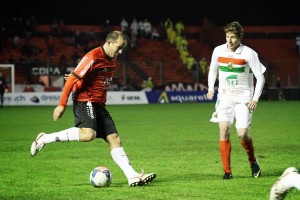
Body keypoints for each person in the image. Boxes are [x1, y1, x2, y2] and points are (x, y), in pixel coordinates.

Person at [30, 31, 156, 187]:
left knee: (115, 139)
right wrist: (61, 104)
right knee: (88, 134)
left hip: (99, 104)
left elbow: (87, 79)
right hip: (85, 100)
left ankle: (132, 176)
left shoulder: (113, 59)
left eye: (123, 48)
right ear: (109, 43)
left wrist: (78, 80)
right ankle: (44, 138)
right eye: (119, 47)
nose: (121, 51)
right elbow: (71, 81)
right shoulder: (93, 56)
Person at [207, 21, 266, 179]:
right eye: (227, 36)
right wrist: (211, 88)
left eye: (233, 37)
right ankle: (227, 172)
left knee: (242, 134)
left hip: (244, 100)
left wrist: (255, 99)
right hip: (224, 98)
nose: (230, 40)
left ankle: (253, 161)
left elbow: (260, 78)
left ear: (239, 37)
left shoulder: (249, 53)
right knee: (224, 130)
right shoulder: (218, 50)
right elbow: (213, 70)